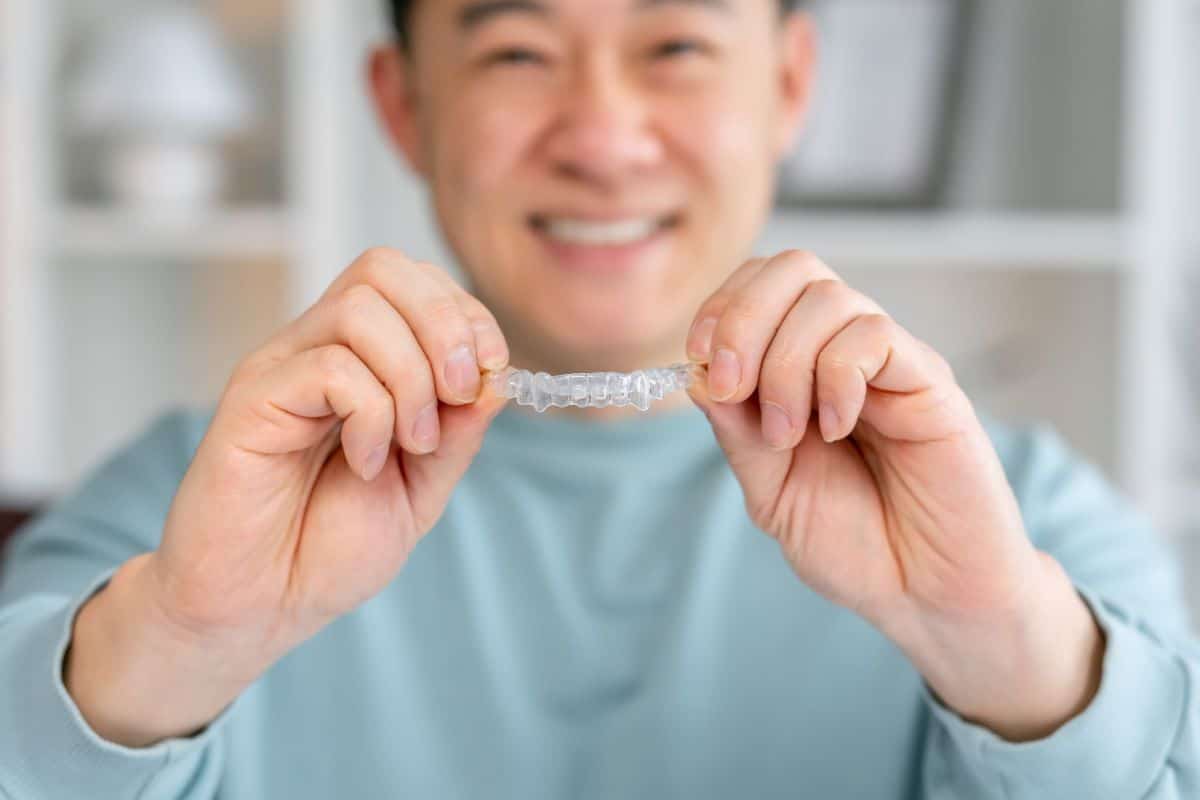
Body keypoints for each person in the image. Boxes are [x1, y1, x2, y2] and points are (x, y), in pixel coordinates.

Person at [1, 0, 1198, 796]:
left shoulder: (1022, 519)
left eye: (675, 46)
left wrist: (993, 638)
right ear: (403, 106)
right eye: (517, 52)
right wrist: (178, 639)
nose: (605, 139)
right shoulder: (192, 502)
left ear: (789, 83)